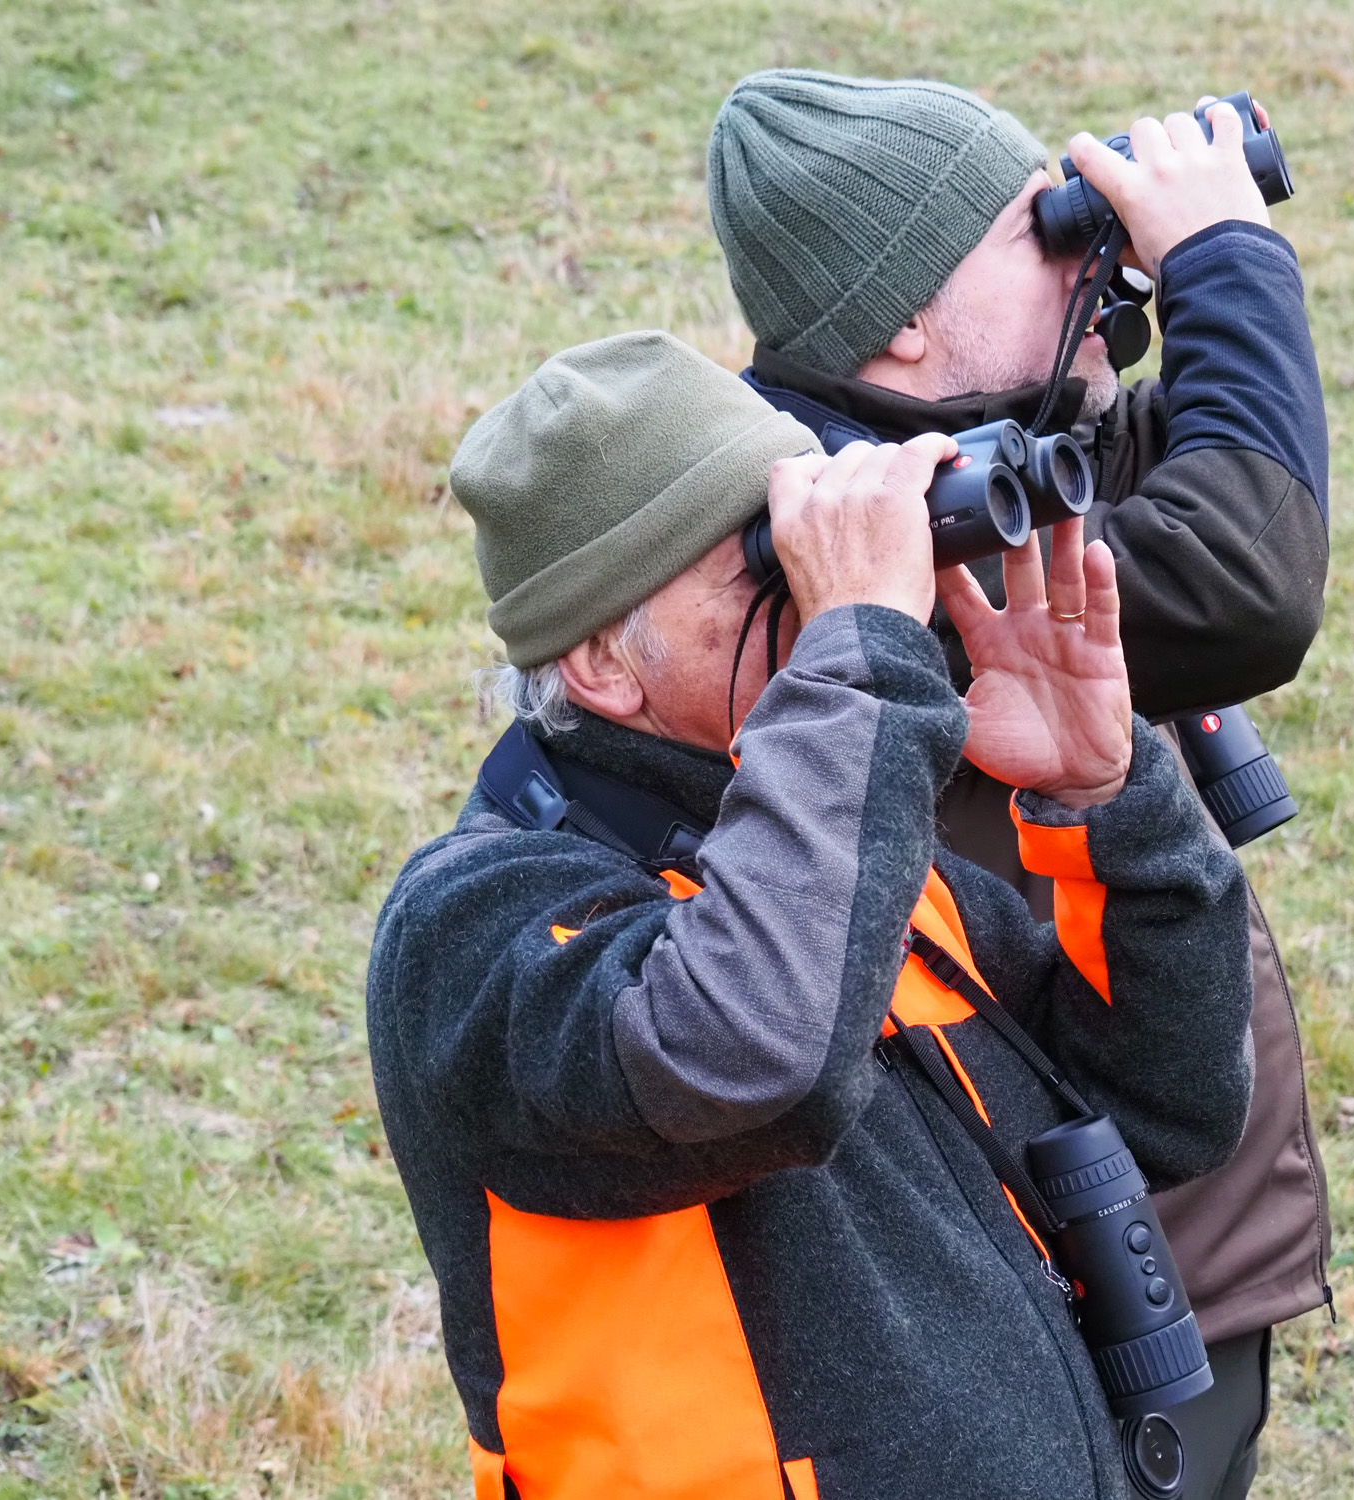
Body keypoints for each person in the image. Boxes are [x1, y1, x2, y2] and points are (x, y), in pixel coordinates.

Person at [368, 330, 1256, 1500]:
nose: (824, 594)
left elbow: (1168, 1110)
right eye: (770, 566)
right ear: (600, 664)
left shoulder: (855, 853)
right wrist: (864, 662)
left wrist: (1106, 800)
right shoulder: (475, 924)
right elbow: (750, 1058)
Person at [706, 71, 1333, 1499]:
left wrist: (1143, 275)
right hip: (1065, 1250)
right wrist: (1227, 265)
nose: (1085, 239)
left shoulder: (940, 438)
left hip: (1123, 1197)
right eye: (1037, 231)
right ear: (905, 322)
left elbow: (1209, 450)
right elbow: (1244, 577)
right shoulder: (867, 535)